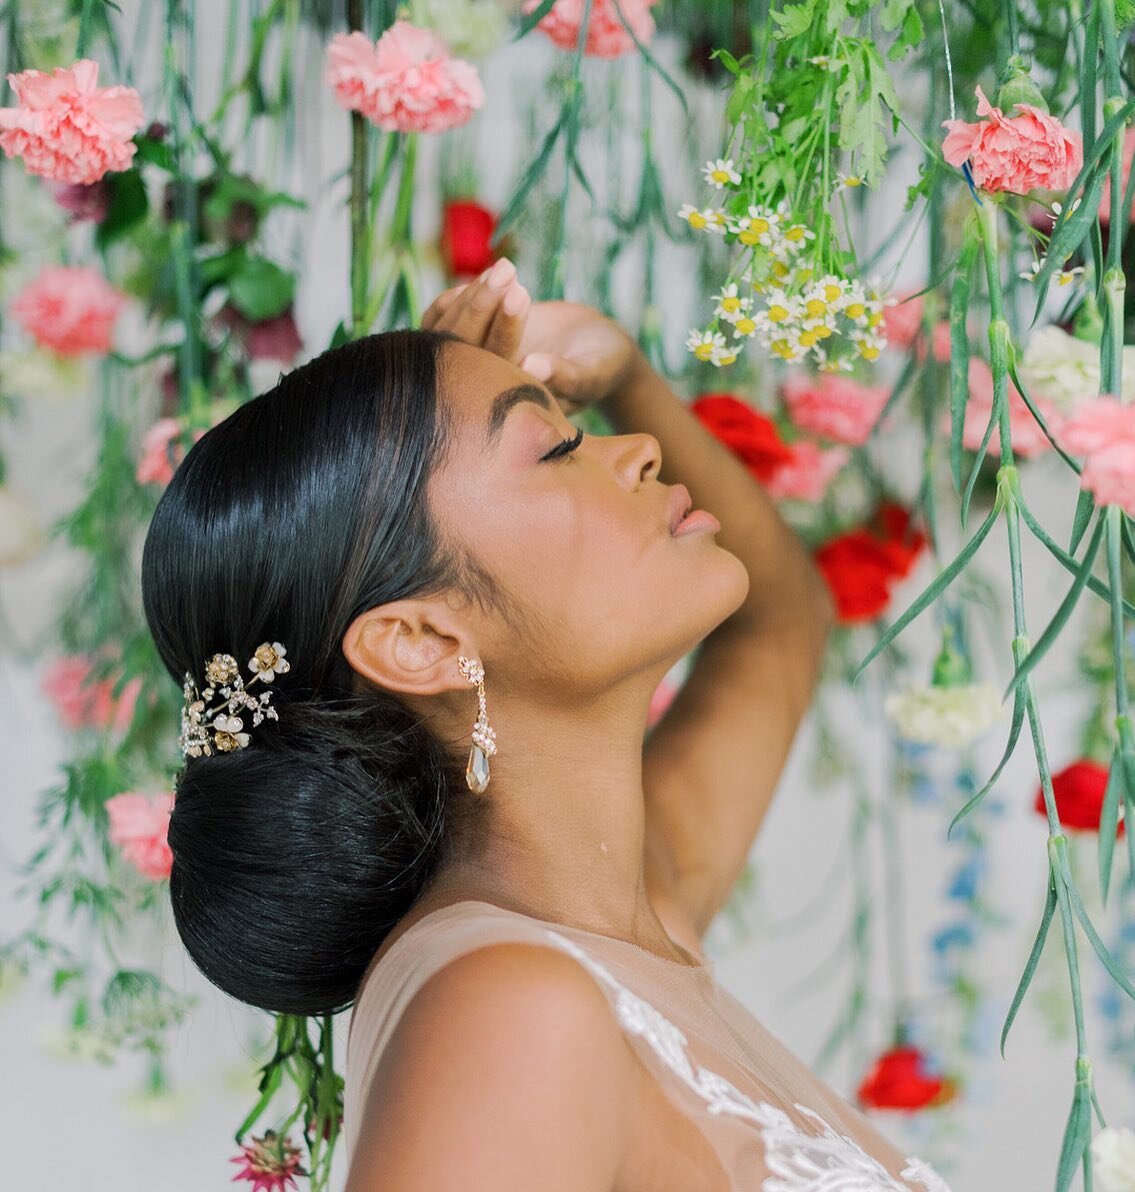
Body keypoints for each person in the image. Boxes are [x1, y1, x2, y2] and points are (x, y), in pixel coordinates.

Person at [140, 257, 951, 1191]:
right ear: (419, 639)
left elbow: (779, 629)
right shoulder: (506, 1007)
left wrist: (621, 373)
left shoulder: (627, 922)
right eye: (558, 450)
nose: (637, 445)